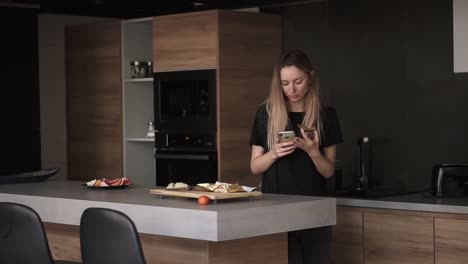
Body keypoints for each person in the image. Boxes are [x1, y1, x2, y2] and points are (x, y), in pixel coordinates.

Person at [249, 49, 343, 264]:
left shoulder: (326, 116)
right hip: (275, 209)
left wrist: (313, 152)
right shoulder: (266, 114)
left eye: (297, 81)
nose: (291, 89)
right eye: (285, 83)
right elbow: (255, 167)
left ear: (310, 78)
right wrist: (274, 153)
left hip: (314, 209)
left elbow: (328, 171)